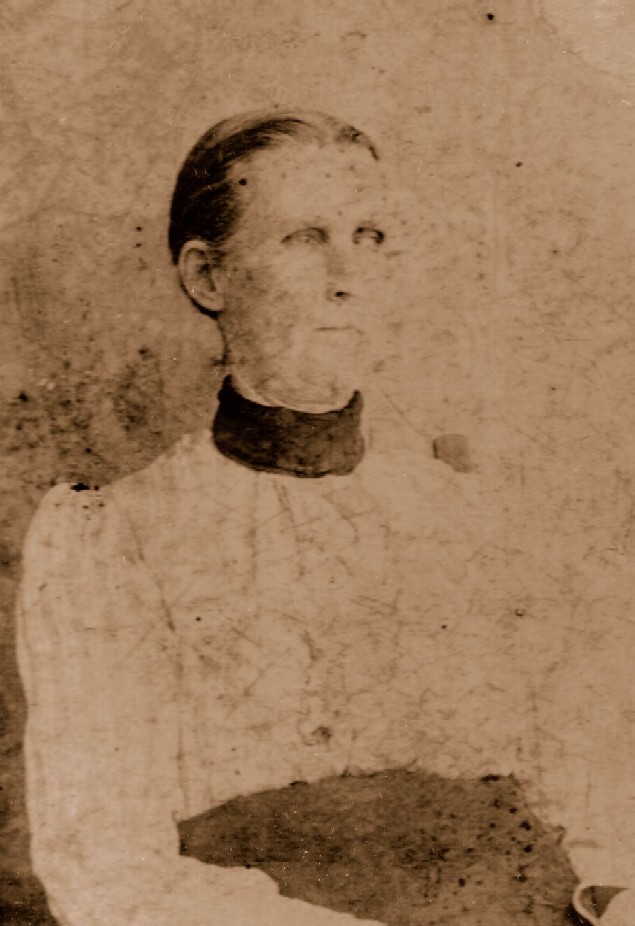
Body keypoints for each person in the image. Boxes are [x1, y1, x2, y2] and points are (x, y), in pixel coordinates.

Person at [16, 110, 634, 926]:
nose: (347, 276)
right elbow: (104, 871)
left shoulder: (478, 519)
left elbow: (600, 804)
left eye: (368, 236)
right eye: (305, 238)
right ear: (207, 278)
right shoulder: (113, 539)